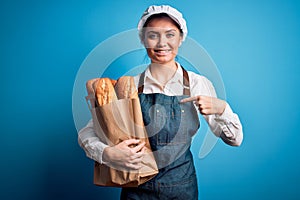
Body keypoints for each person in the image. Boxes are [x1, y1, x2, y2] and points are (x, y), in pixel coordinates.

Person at [78, 5, 243, 200]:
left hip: (182, 189)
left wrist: (222, 108)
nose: (162, 43)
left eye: (170, 35)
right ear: (143, 39)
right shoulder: (128, 86)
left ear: (181, 39)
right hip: (136, 190)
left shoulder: (198, 84)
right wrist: (107, 154)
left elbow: (235, 140)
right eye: (153, 35)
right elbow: (88, 132)